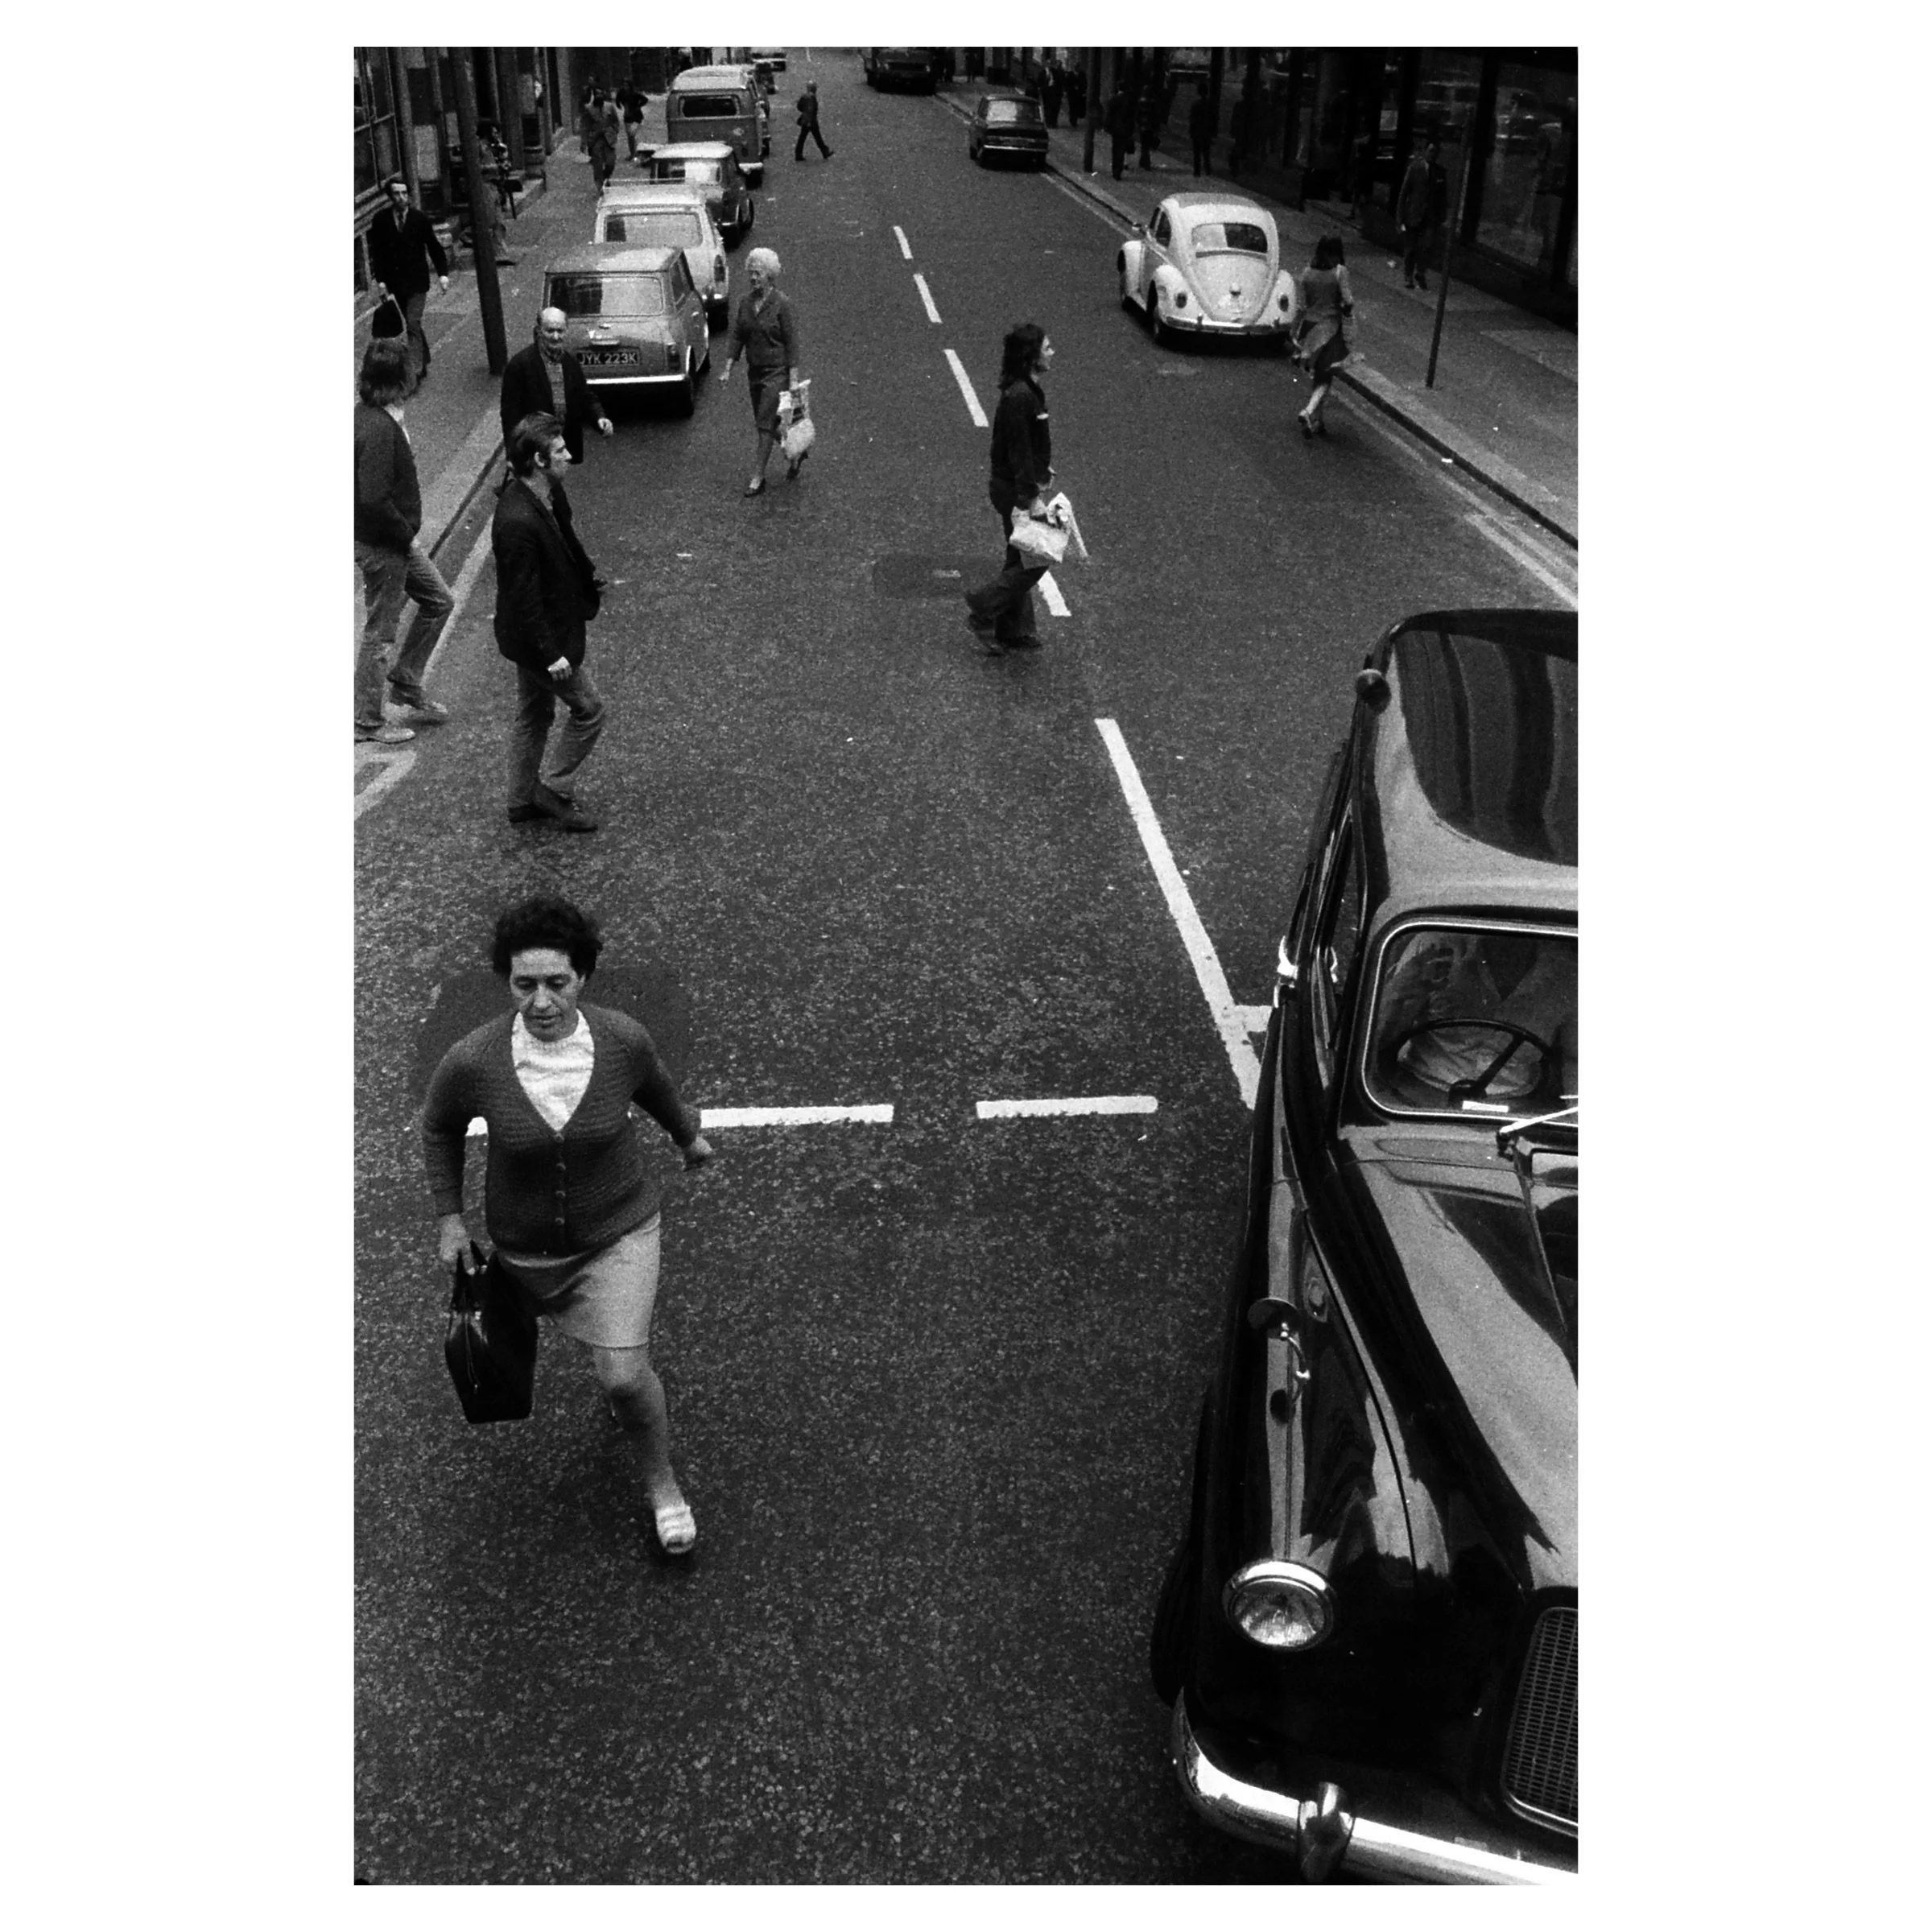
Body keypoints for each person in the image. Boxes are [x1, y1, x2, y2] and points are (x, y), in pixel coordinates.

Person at [423, 893, 716, 1557]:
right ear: (508, 982)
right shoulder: (476, 1059)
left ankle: (663, 1487)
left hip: (618, 1233)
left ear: (583, 976)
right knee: (505, 1363)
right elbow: (438, 1126)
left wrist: (687, 1138)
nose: (542, 1001)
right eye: (524, 984)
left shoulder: (620, 1040)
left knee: (621, 1378)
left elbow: (658, 1088)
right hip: (521, 1250)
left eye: (558, 982)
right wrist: (450, 1218)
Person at [492, 413, 607, 832]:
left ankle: (521, 800)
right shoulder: (517, 521)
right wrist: (551, 654)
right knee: (590, 709)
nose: (569, 456)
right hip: (539, 641)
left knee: (534, 713)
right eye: (560, 451)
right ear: (539, 461)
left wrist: (587, 574)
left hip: (531, 637)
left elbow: (566, 541)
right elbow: (523, 598)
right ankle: (553, 788)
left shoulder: (545, 496)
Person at [354, 338, 455, 742]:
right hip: (386, 546)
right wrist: (405, 535)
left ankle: (407, 679)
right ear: (396, 381)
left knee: (439, 601)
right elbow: (373, 498)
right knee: (380, 634)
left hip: (390, 541)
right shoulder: (378, 427)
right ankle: (365, 722)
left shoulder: (367, 416)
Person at [963, 323, 1057, 655]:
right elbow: (1017, 452)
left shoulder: (1026, 390)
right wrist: (1030, 498)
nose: (1052, 352)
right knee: (1039, 556)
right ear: (1031, 356)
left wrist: (1042, 469)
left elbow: (1026, 446)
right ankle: (984, 605)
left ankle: (1013, 630)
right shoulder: (1021, 396)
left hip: (1018, 484)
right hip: (1014, 490)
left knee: (1020, 555)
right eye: (1046, 347)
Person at [718, 247, 801, 495]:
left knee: (764, 424)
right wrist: (728, 367)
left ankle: (758, 476)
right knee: (767, 423)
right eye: (751, 273)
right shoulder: (745, 303)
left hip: (777, 374)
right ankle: (796, 450)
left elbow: (792, 343)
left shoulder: (782, 304)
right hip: (755, 372)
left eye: (758, 273)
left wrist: (793, 379)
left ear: (770, 276)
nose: (753, 278)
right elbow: (737, 335)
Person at [501, 309, 614, 465]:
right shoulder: (520, 365)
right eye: (550, 331)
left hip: (562, 446)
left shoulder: (570, 362)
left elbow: (584, 396)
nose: (556, 336)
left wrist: (599, 418)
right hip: (536, 450)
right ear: (539, 331)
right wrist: (512, 454)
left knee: (557, 486)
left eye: (560, 331)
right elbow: (510, 414)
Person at [366, 175, 450, 383]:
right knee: (413, 324)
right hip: (395, 282)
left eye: (405, 193)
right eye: (397, 193)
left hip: (417, 282)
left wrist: (443, 274)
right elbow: (378, 252)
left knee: (413, 322)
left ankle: (414, 371)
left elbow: (433, 246)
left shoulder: (419, 219)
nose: (402, 197)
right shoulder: (381, 220)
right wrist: (381, 281)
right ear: (390, 196)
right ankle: (424, 357)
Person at [1292, 235, 1354, 440]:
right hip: (1330, 328)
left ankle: (1318, 421)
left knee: (1318, 375)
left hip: (1309, 327)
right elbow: (1348, 300)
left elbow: (1302, 305)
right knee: (1326, 377)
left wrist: (1294, 331)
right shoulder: (1340, 272)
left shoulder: (1307, 272)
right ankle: (1308, 411)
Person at [1398, 136, 1449, 289]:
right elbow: (1404, 193)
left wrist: (1442, 215)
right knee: (1411, 248)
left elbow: (1443, 196)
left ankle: (1421, 272)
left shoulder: (1440, 173)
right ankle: (1408, 275)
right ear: (1425, 151)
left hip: (1430, 217)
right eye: (1431, 151)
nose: (1433, 155)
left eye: (1436, 152)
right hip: (1414, 215)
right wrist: (1400, 217)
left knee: (1427, 247)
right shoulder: (1415, 169)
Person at [580, 84, 617, 188]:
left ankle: (606, 177)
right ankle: (600, 184)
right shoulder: (589, 109)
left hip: (609, 139)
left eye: (600, 94)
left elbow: (615, 121)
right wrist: (584, 142)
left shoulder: (609, 106)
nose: (599, 96)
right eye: (597, 94)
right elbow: (585, 127)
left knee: (610, 163)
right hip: (596, 140)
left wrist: (614, 131)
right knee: (598, 164)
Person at [794, 80, 832, 160]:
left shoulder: (804, 96)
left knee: (804, 137)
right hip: (810, 121)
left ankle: (799, 153)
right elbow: (811, 110)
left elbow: (799, 107)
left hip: (806, 120)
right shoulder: (811, 97)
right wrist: (810, 121)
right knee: (816, 137)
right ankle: (824, 151)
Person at [1104, 81, 1135, 180]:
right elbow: (1131, 117)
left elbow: (1109, 115)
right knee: (1121, 151)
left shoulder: (1114, 99)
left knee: (1115, 150)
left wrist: (1107, 127)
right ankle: (1119, 170)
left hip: (1115, 129)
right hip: (1125, 129)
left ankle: (1115, 170)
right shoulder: (1129, 101)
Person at [616, 80, 647, 158]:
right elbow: (617, 99)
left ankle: (634, 153)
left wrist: (638, 106)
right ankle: (633, 153)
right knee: (629, 136)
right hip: (627, 117)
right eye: (624, 85)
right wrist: (618, 105)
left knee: (632, 135)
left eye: (627, 86)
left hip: (636, 117)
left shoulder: (635, 94)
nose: (625, 87)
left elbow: (645, 99)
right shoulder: (622, 94)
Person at [1187, 85, 1214, 176]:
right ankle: (1207, 169)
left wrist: (1191, 130)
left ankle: (1197, 170)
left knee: (1197, 152)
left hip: (1197, 131)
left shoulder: (1195, 105)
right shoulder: (1209, 105)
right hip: (1206, 130)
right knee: (1206, 152)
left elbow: (1192, 119)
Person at [1136, 82, 1162, 168]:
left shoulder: (1140, 102)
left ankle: (1144, 161)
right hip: (1150, 126)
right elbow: (1156, 116)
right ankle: (1145, 161)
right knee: (1147, 145)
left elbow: (1138, 114)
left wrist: (1138, 123)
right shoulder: (1154, 103)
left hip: (1143, 126)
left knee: (1143, 145)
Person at [1042, 62, 1064, 128]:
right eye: (1048, 64)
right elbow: (1041, 82)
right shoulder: (1043, 73)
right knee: (1047, 108)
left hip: (1055, 93)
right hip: (1047, 93)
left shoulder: (1057, 73)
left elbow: (1060, 83)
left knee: (1055, 109)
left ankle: (1054, 123)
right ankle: (1048, 122)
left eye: (1050, 64)